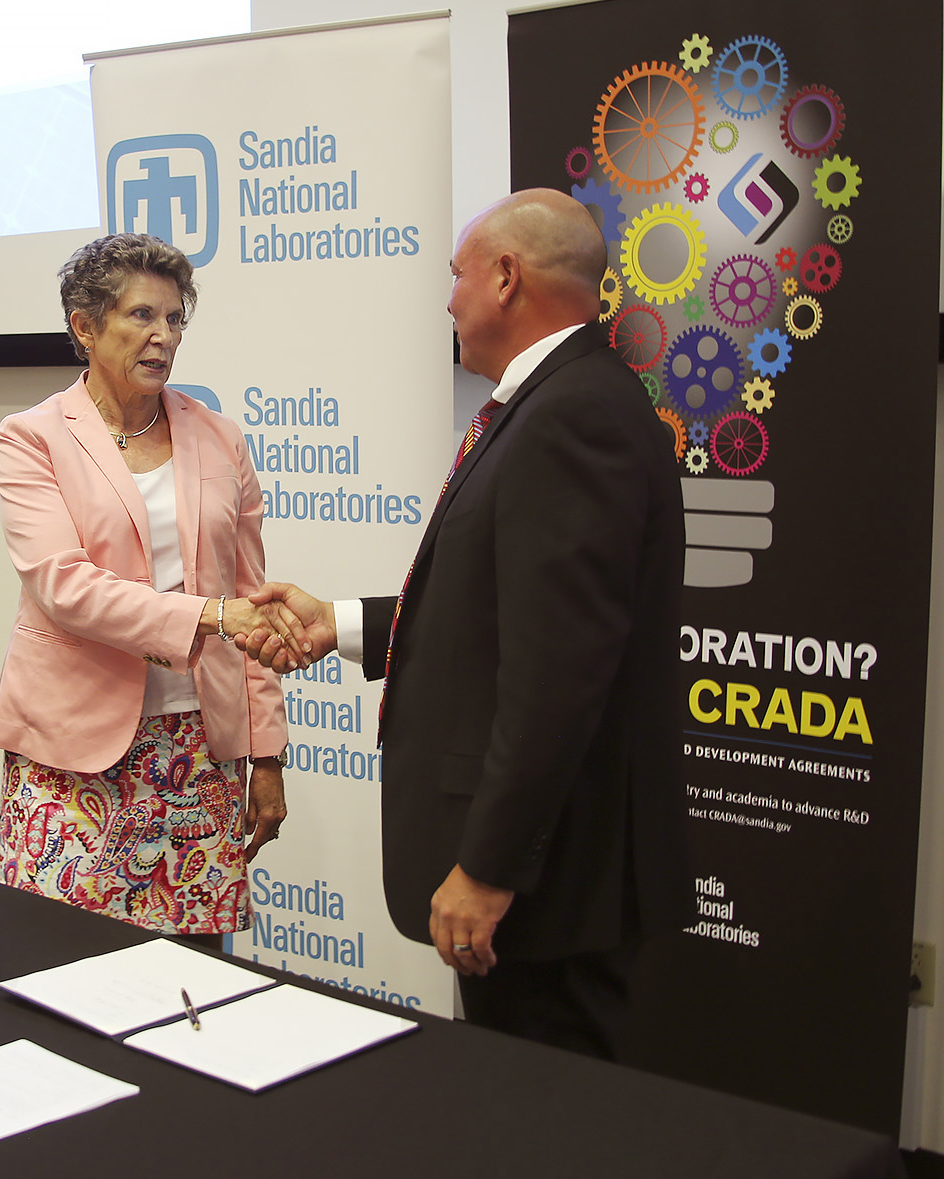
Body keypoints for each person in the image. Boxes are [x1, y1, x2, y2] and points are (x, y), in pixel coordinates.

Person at [244, 189, 687, 1058]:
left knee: (549, 1124)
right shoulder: (562, 401)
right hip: (551, 879)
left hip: (555, 887)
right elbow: (493, 616)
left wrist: (488, 870)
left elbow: (556, 678)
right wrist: (338, 623)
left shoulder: (572, 416)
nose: (447, 300)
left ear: (506, 277)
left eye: (455, 276)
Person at [0, 232, 288, 946]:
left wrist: (267, 753)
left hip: (196, 751)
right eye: (140, 316)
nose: (162, 337)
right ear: (84, 326)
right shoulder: (30, 437)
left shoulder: (220, 438)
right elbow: (65, 586)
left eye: (174, 318)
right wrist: (209, 613)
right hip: (71, 758)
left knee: (194, 974)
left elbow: (253, 599)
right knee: (64, 970)